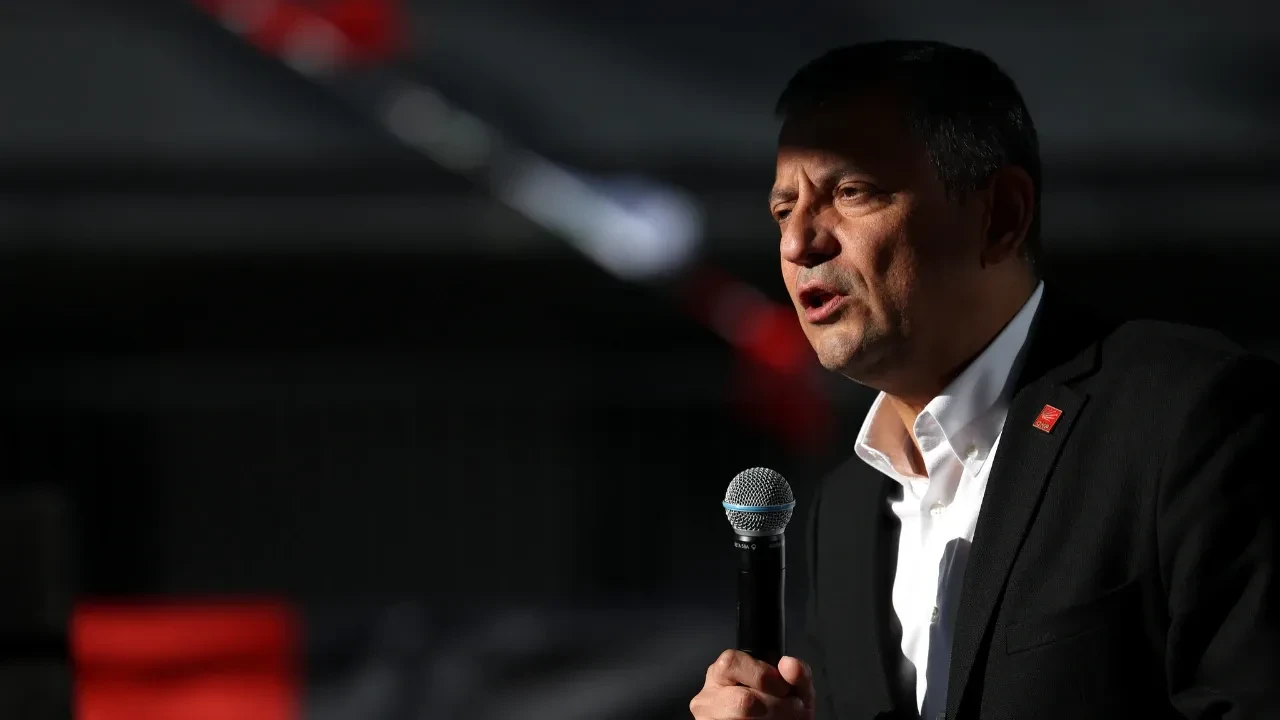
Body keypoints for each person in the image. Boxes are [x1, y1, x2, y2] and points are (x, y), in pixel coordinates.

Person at [689, 40, 1280, 720]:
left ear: (1000, 216)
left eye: (851, 193)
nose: (799, 243)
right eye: (783, 211)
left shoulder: (1188, 417)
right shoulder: (844, 512)